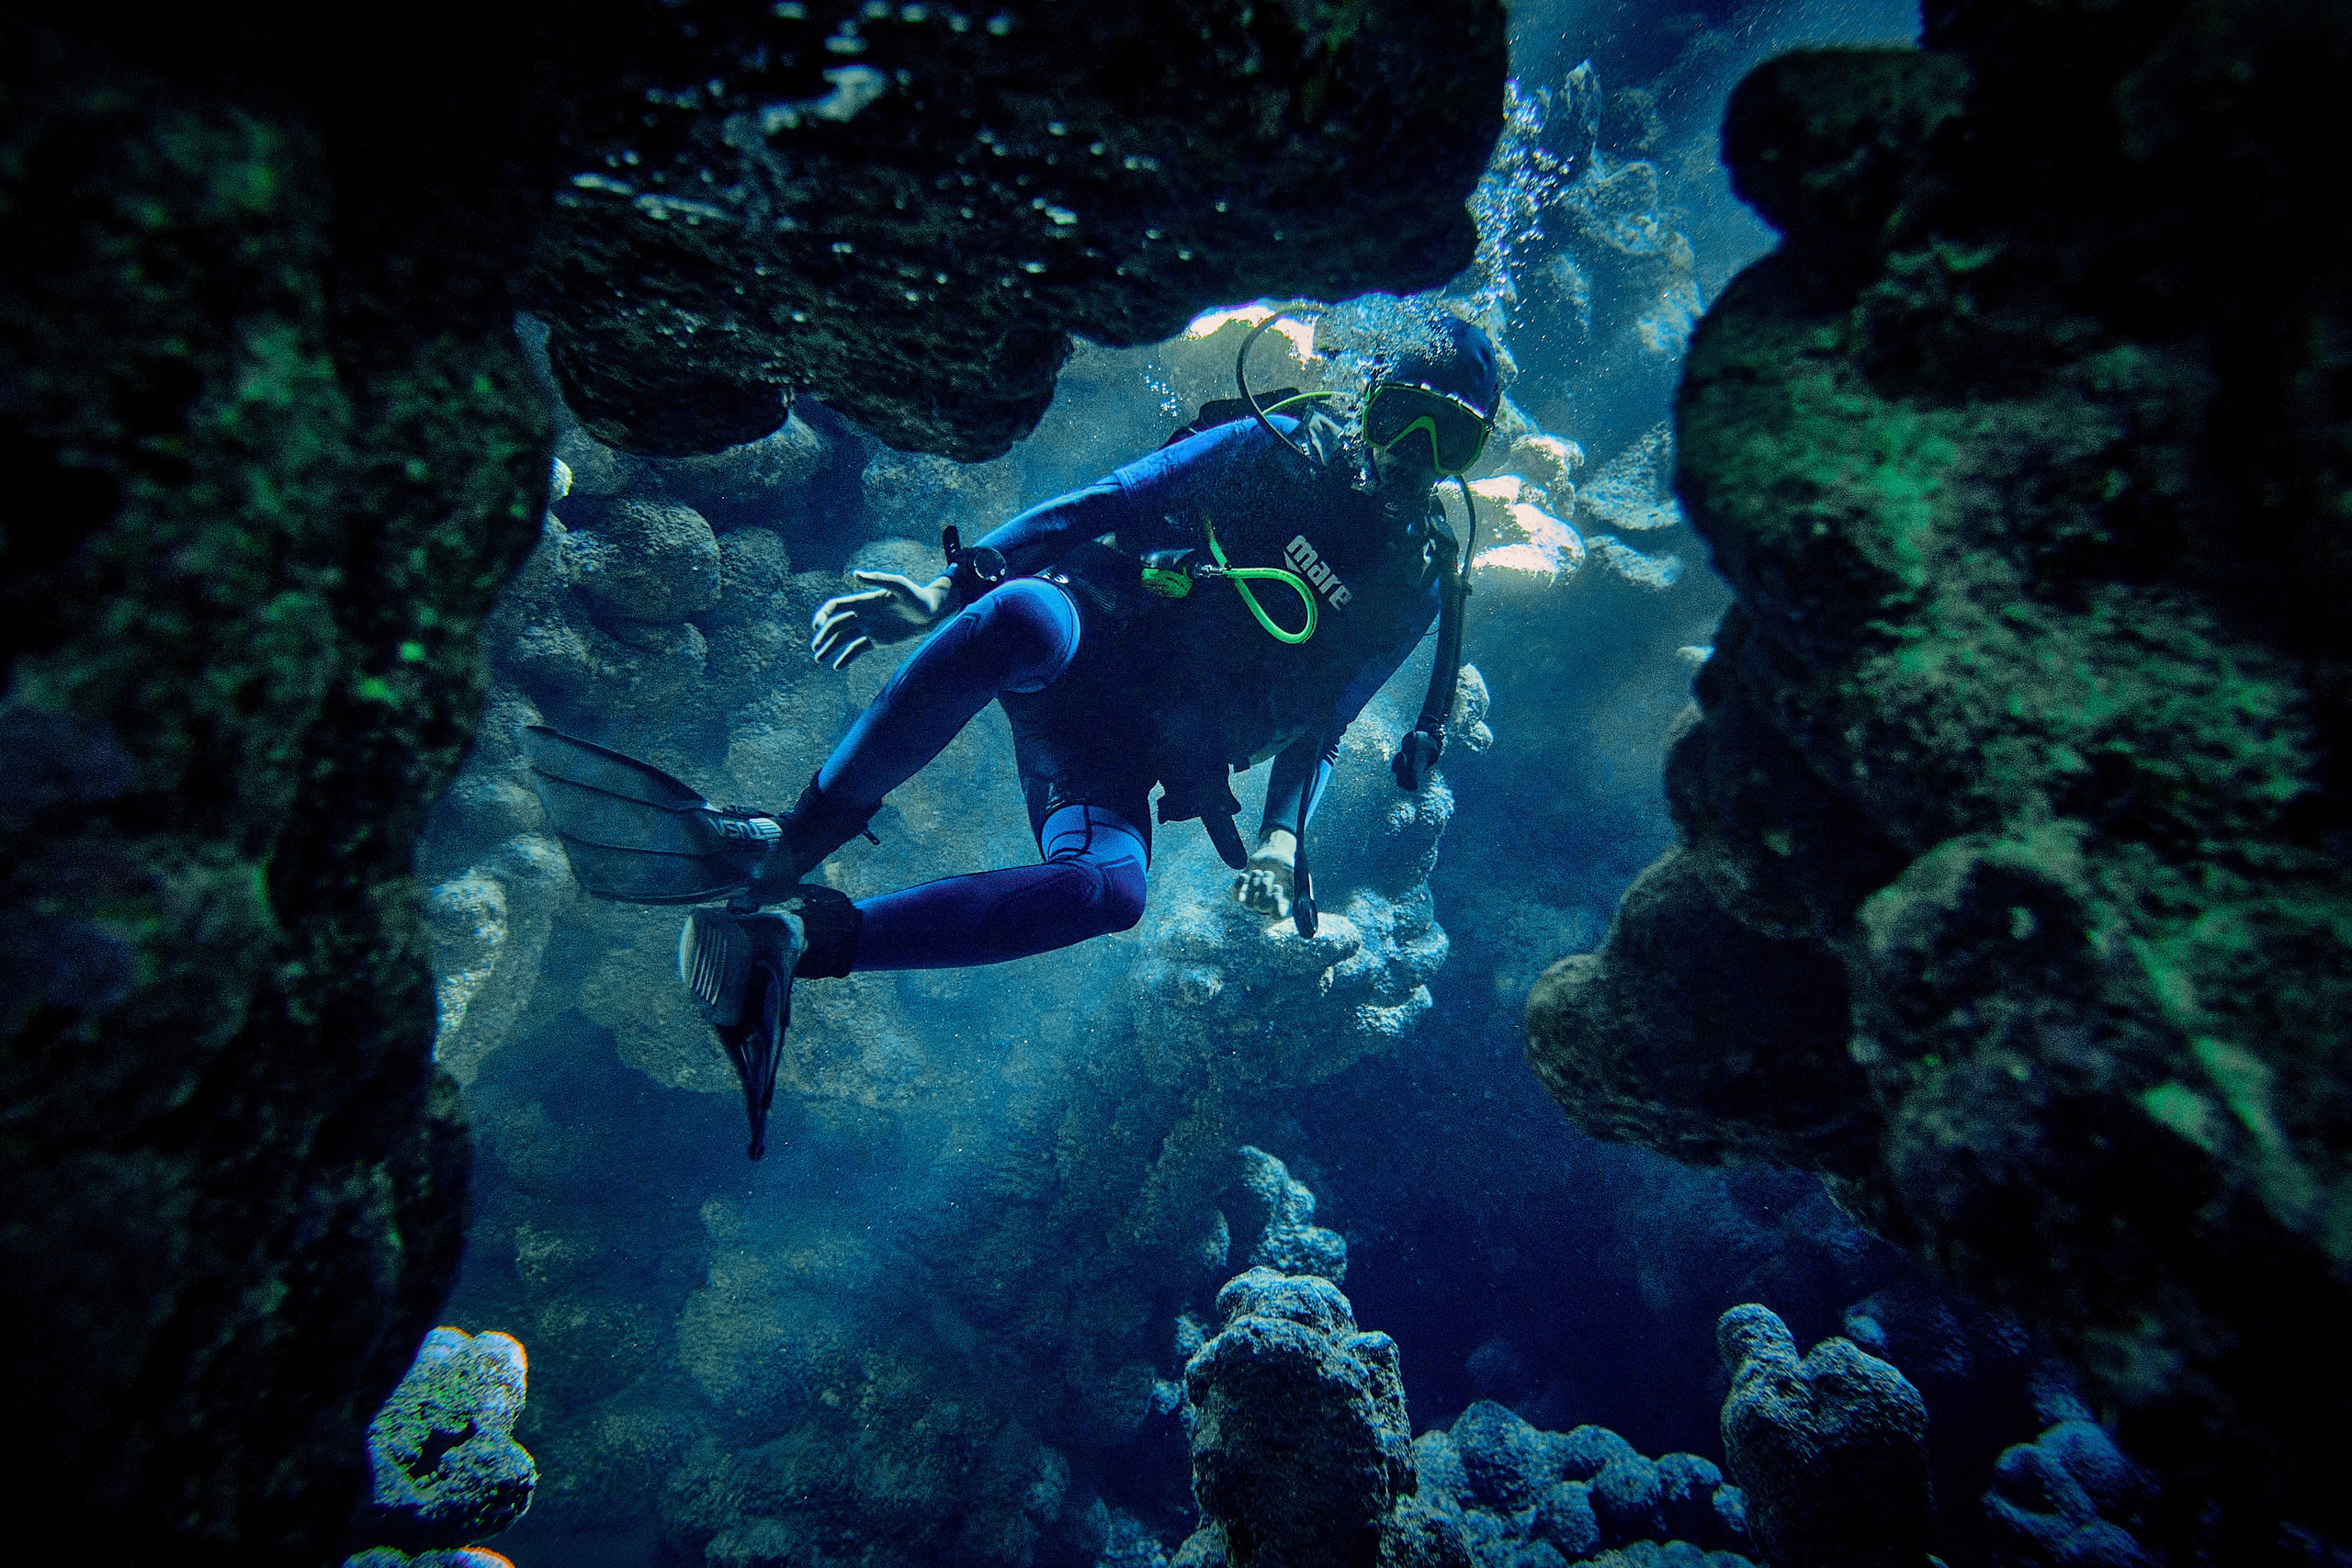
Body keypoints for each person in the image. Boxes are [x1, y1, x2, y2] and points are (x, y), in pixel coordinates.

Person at [525, 311, 1498, 1156]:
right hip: (1087, 643)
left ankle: (791, 941)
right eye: (1397, 414)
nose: (1410, 451)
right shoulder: (1281, 442)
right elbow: (1115, 499)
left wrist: (1285, 841)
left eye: (1444, 440)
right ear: (1365, 396)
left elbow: (1323, 731)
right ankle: (790, 842)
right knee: (1023, 617)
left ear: (1470, 459)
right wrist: (949, 590)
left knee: (1113, 892)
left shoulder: (1414, 581)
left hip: (1132, 755)